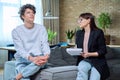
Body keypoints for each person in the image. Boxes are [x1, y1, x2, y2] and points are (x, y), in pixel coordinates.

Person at [11, 4, 50, 80]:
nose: (32, 14)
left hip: (39, 57)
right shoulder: (16, 31)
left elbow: (45, 44)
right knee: (25, 77)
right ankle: (22, 75)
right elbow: (20, 49)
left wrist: (46, 55)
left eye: (33, 12)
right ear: (23, 16)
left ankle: (17, 77)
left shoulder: (41, 28)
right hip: (23, 59)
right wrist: (32, 59)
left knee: (40, 62)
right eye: (28, 12)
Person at [75, 13, 110, 80]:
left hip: (98, 61)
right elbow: (77, 47)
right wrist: (74, 50)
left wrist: (89, 54)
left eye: (81, 20)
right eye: (78, 20)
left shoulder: (98, 32)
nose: (79, 22)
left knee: (94, 78)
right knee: (81, 70)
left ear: (89, 20)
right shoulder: (79, 33)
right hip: (84, 60)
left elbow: (103, 50)